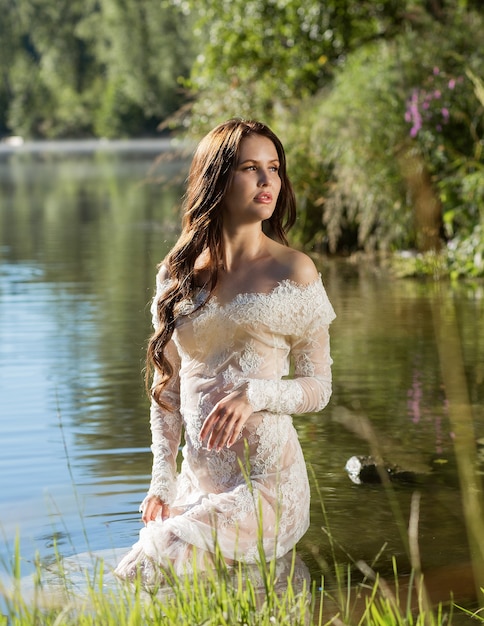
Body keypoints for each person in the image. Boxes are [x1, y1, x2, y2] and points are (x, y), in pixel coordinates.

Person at [115, 119, 336, 584]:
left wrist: (256, 393)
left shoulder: (294, 271)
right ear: (216, 178)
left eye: (274, 168)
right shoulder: (176, 276)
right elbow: (168, 392)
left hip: (268, 488)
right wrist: (163, 480)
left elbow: (319, 388)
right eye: (250, 168)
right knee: (137, 574)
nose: (267, 181)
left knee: (163, 567)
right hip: (201, 486)